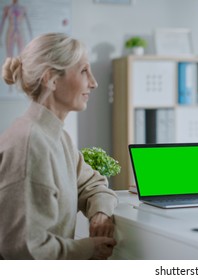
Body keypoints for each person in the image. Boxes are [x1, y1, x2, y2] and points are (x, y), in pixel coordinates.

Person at [0, 33, 118, 259]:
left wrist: (100, 212)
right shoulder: (30, 145)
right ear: (51, 80)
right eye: (84, 71)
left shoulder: (57, 137)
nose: (93, 82)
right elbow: (25, 251)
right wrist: (89, 248)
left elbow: (93, 184)